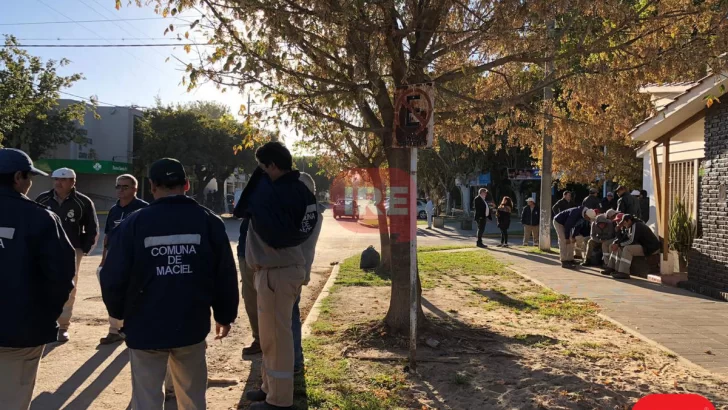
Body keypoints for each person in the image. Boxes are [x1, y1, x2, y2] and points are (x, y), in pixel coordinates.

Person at [100, 158, 239, 410]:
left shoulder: (133, 223)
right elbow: (224, 275)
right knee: (192, 396)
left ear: (152, 186)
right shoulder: (208, 222)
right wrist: (224, 315)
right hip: (190, 325)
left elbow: (112, 275)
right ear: (186, 184)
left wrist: (118, 316)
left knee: (146, 399)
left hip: (144, 327)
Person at [240, 142, 319, 410]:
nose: (259, 172)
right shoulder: (295, 190)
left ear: (272, 165)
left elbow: (268, 228)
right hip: (281, 271)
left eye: (262, 167)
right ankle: (268, 388)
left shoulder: (276, 195)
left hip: (277, 273)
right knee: (271, 338)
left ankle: (278, 401)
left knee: (277, 339)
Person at [0, 149, 76, 410]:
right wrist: (45, 317)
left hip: (21, 330)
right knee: (12, 400)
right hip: (20, 333)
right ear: (18, 177)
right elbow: (61, 276)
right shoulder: (39, 217)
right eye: (29, 177)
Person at [36, 168, 99, 342]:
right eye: (56, 179)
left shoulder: (83, 202)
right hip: (45, 249)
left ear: (73, 182)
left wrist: (84, 249)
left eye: (63, 180)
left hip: (72, 250)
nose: (58, 183)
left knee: (69, 287)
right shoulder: (42, 199)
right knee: (43, 282)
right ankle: (45, 321)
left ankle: (63, 325)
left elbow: (92, 227)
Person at [98, 174, 148, 345]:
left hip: (135, 262)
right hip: (114, 262)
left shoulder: (144, 210)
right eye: (118, 186)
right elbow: (107, 237)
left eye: (125, 186)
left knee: (135, 296)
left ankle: (135, 330)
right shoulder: (114, 210)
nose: (120, 190)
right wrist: (104, 260)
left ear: (135, 188)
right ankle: (114, 331)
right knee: (112, 295)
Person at [292, 172, 324, 374]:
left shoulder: (302, 212)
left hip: (292, 269)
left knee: (289, 318)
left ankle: (295, 360)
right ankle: (295, 358)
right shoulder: (314, 213)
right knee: (291, 315)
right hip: (300, 269)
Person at [601, 214, 661, 279]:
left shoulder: (636, 225)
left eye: (624, 222)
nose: (623, 224)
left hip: (650, 248)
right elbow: (624, 239)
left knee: (627, 249)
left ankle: (624, 272)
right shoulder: (630, 227)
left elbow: (632, 241)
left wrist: (619, 245)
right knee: (618, 248)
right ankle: (612, 268)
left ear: (629, 221)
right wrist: (617, 233)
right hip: (643, 246)